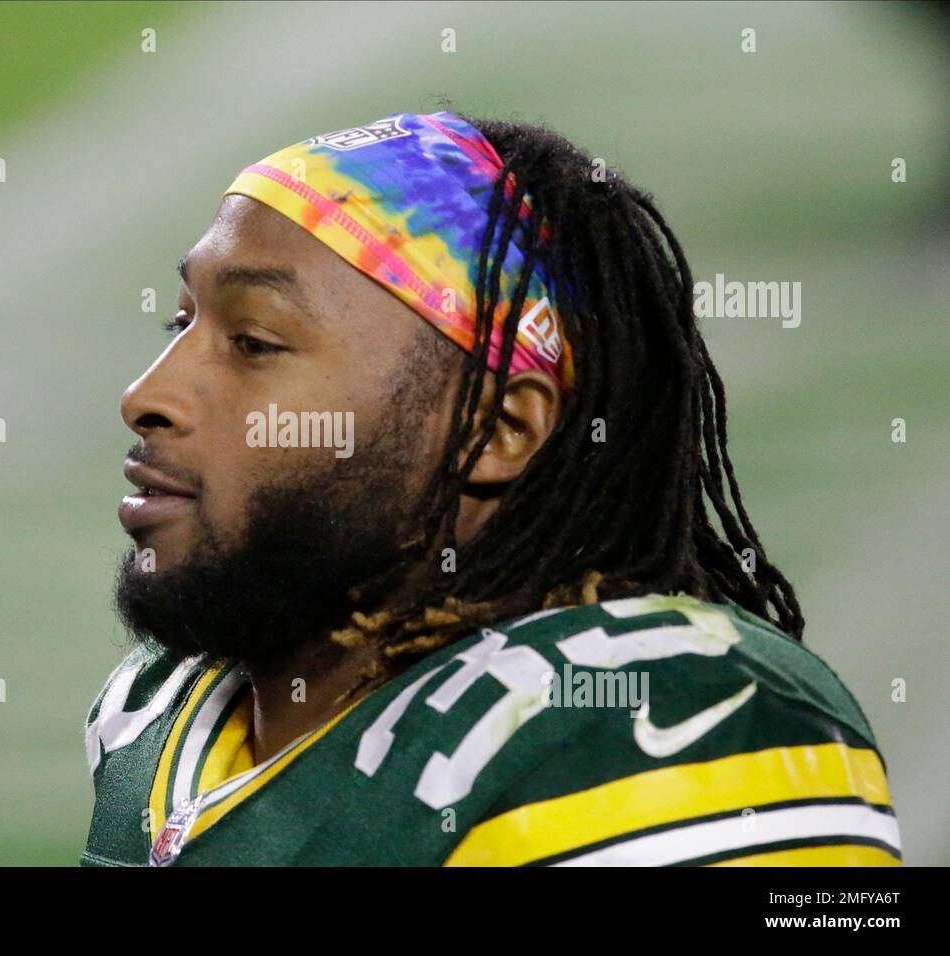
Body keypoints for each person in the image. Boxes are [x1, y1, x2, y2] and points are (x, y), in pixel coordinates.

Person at [83, 111, 900, 867]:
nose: (147, 394)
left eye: (254, 342)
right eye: (180, 324)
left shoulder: (664, 731)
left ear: (497, 428)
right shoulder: (157, 715)